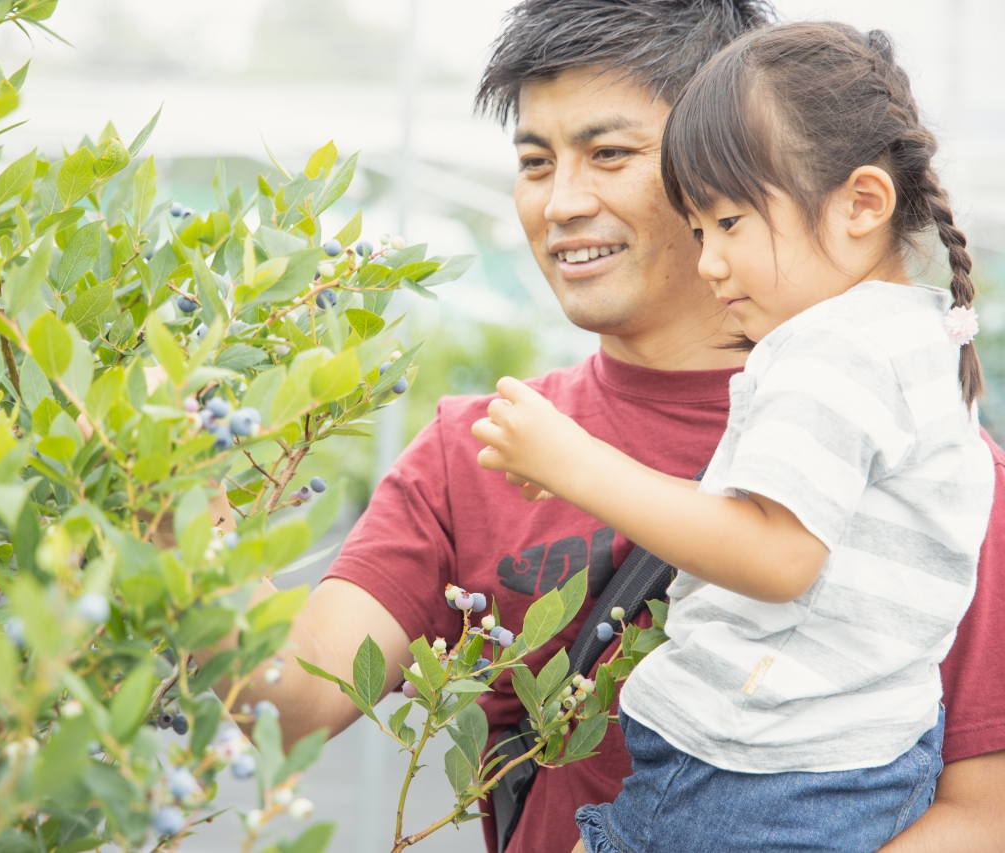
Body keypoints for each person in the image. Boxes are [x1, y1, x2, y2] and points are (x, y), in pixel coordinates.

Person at [222, 3, 1005, 852]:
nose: (560, 202)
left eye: (609, 154)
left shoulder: (929, 459)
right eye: (534, 161)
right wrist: (175, 499)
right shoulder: (477, 449)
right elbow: (292, 704)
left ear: (724, 152)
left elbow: (983, 812)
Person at [473, 21, 993, 853]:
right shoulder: (917, 340)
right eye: (700, 226)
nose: (710, 261)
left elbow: (777, 556)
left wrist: (578, 463)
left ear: (862, 202)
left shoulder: (832, 349)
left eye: (729, 223)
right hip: (850, 770)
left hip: (752, 777)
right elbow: (787, 536)